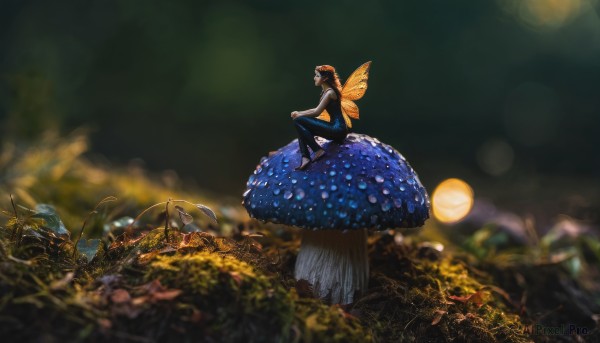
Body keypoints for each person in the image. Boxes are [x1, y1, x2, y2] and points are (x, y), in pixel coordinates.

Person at [291, 65, 349, 170]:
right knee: (302, 127)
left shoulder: (330, 93)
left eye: (317, 76)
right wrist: (299, 113)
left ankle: (317, 150)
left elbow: (316, 111)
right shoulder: (325, 92)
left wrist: (299, 114)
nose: (314, 78)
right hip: (334, 127)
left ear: (325, 78)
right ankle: (305, 157)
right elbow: (314, 109)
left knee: (299, 121)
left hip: (337, 129)